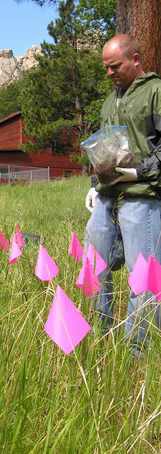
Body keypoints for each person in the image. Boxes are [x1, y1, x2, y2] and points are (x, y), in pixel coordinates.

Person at [85, 35, 161, 354]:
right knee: (92, 267)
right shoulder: (109, 100)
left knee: (142, 278)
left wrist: (140, 171)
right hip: (106, 196)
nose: (109, 72)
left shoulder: (156, 92)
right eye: (105, 67)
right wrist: (92, 186)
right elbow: (104, 150)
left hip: (142, 196)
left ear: (136, 59)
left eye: (114, 66)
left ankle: (136, 353)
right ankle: (101, 337)